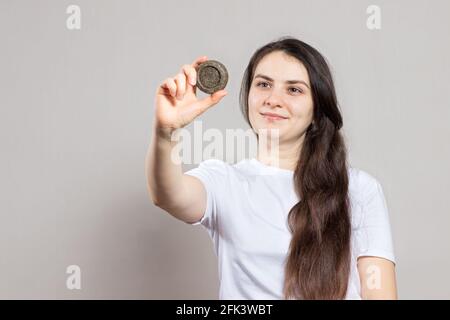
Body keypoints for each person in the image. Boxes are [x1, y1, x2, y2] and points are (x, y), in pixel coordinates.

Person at [145, 36, 397, 300]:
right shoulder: (224, 181)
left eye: (294, 90)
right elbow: (167, 194)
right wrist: (166, 131)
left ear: (317, 107)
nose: (273, 99)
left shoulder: (360, 189)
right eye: (263, 84)